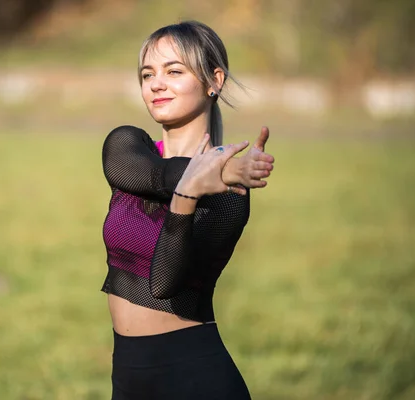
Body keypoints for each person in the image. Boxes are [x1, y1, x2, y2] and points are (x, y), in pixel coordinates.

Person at [100, 21, 275, 399]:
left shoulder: (229, 196)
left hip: (195, 378)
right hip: (128, 381)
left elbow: (164, 284)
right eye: (148, 74)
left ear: (215, 80)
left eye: (173, 71)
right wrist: (213, 171)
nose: (156, 84)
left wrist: (189, 196)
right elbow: (157, 174)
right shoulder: (128, 147)